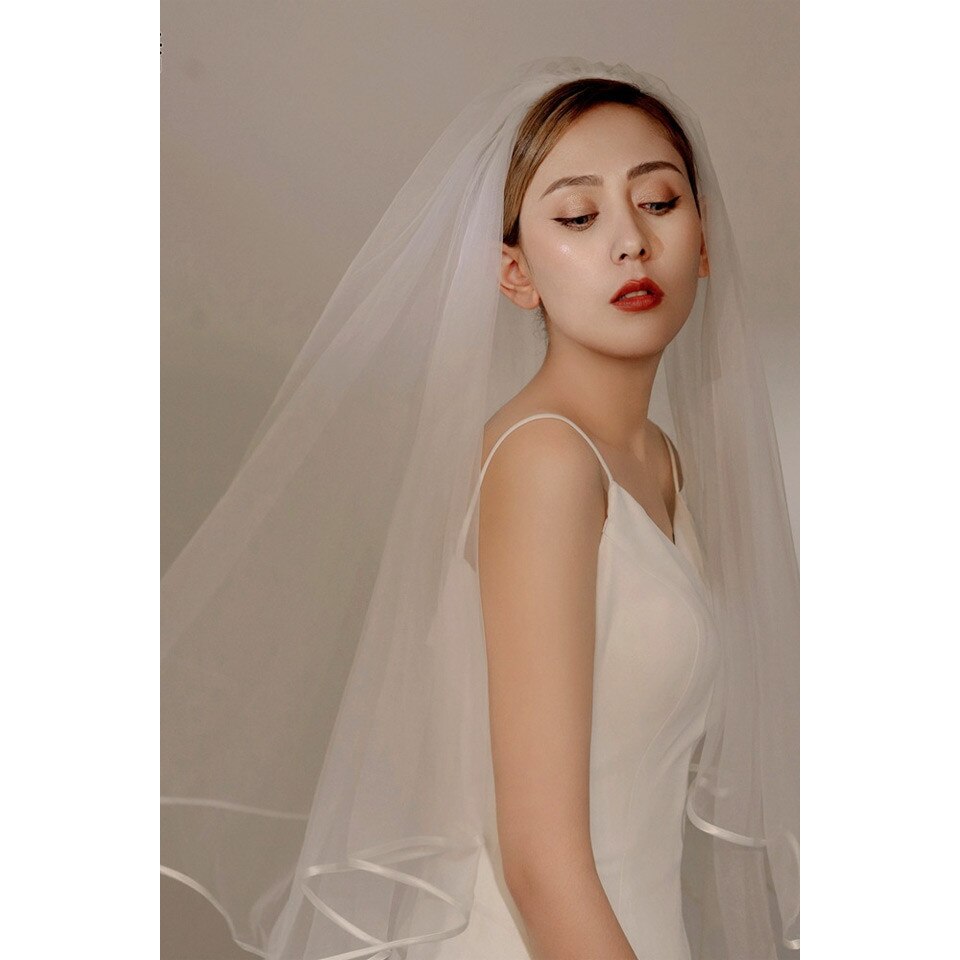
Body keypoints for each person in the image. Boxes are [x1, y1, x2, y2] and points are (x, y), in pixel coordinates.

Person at [161, 57, 799, 960]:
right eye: (578, 217)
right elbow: (539, 863)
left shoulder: (662, 464)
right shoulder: (547, 464)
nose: (629, 240)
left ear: (703, 242)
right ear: (514, 273)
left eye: (658, 201)